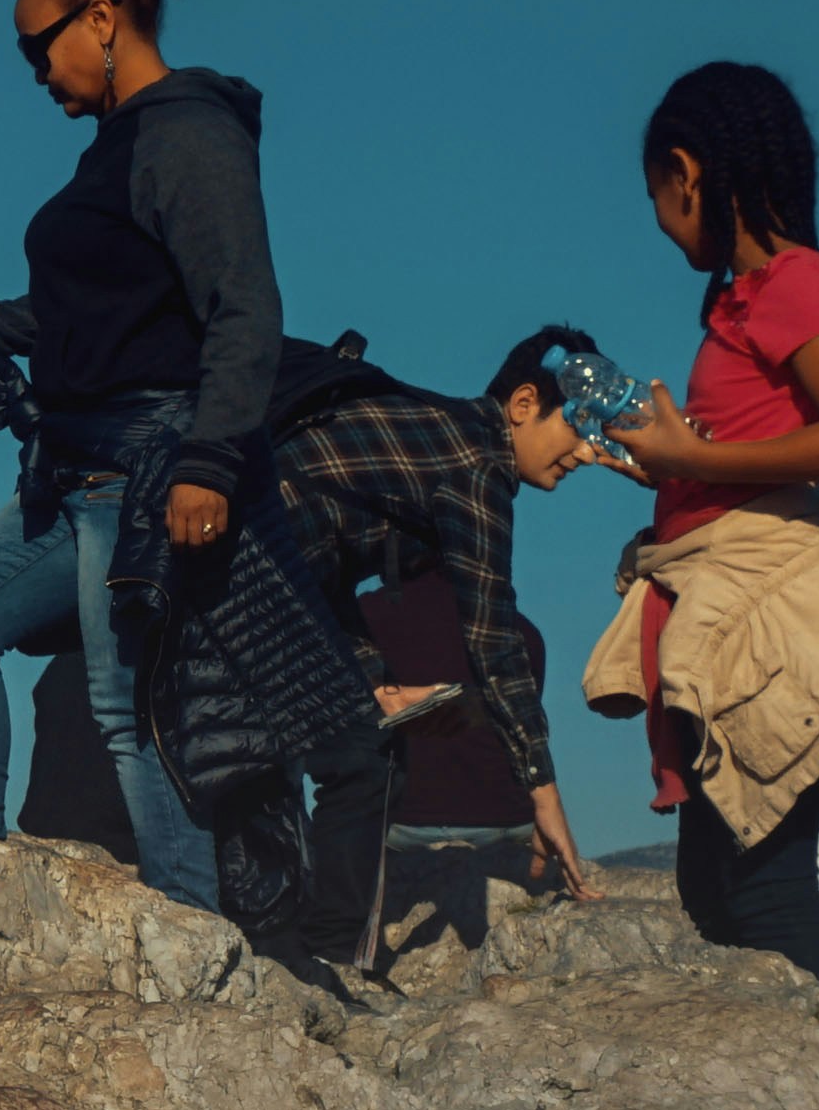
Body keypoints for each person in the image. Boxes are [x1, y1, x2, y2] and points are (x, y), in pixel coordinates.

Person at [0, 0, 269, 905]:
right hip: (68, 476)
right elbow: (92, 301)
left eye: (40, 47)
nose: (36, 72)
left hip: (144, 474)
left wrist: (209, 461)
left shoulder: (190, 132)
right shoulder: (118, 147)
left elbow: (244, 306)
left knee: (130, 709)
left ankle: (195, 938)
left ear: (102, 16)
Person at [570, 64, 819, 984]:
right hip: (733, 612)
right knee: (712, 887)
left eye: (656, 197)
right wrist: (672, 460)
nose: (660, 222)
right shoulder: (746, 299)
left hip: (770, 614)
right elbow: (760, 446)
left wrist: (694, 461)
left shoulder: (791, 283)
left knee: (765, 889)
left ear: (686, 173)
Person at [258, 325, 612, 932]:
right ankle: (322, 944)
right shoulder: (478, 463)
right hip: (251, 568)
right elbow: (492, 637)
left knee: (362, 754)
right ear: (523, 404)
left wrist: (375, 682)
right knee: (347, 760)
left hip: (260, 560)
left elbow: (324, 556)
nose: (585, 454)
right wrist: (544, 794)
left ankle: (323, 940)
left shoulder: (438, 429)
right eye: (578, 427)